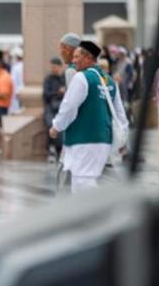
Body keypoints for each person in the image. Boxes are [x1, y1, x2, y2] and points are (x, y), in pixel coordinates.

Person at [49, 41, 128, 193]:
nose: (73, 60)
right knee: (94, 178)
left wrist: (56, 126)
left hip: (84, 139)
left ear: (88, 58)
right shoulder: (110, 81)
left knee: (82, 182)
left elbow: (68, 107)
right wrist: (123, 136)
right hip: (104, 140)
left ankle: (89, 213)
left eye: (77, 57)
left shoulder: (82, 78)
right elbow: (120, 114)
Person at [43, 57, 66, 163]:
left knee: (61, 125)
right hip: (51, 106)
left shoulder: (65, 78)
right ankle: (52, 149)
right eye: (52, 67)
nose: (53, 69)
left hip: (62, 107)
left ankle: (59, 149)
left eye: (55, 67)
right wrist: (58, 92)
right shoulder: (48, 79)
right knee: (50, 124)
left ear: (60, 67)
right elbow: (46, 95)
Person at [8, 46, 24, 114]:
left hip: (16, 92)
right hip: (20, 90)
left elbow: (13, 81)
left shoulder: (16, 67)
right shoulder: (23, 65)